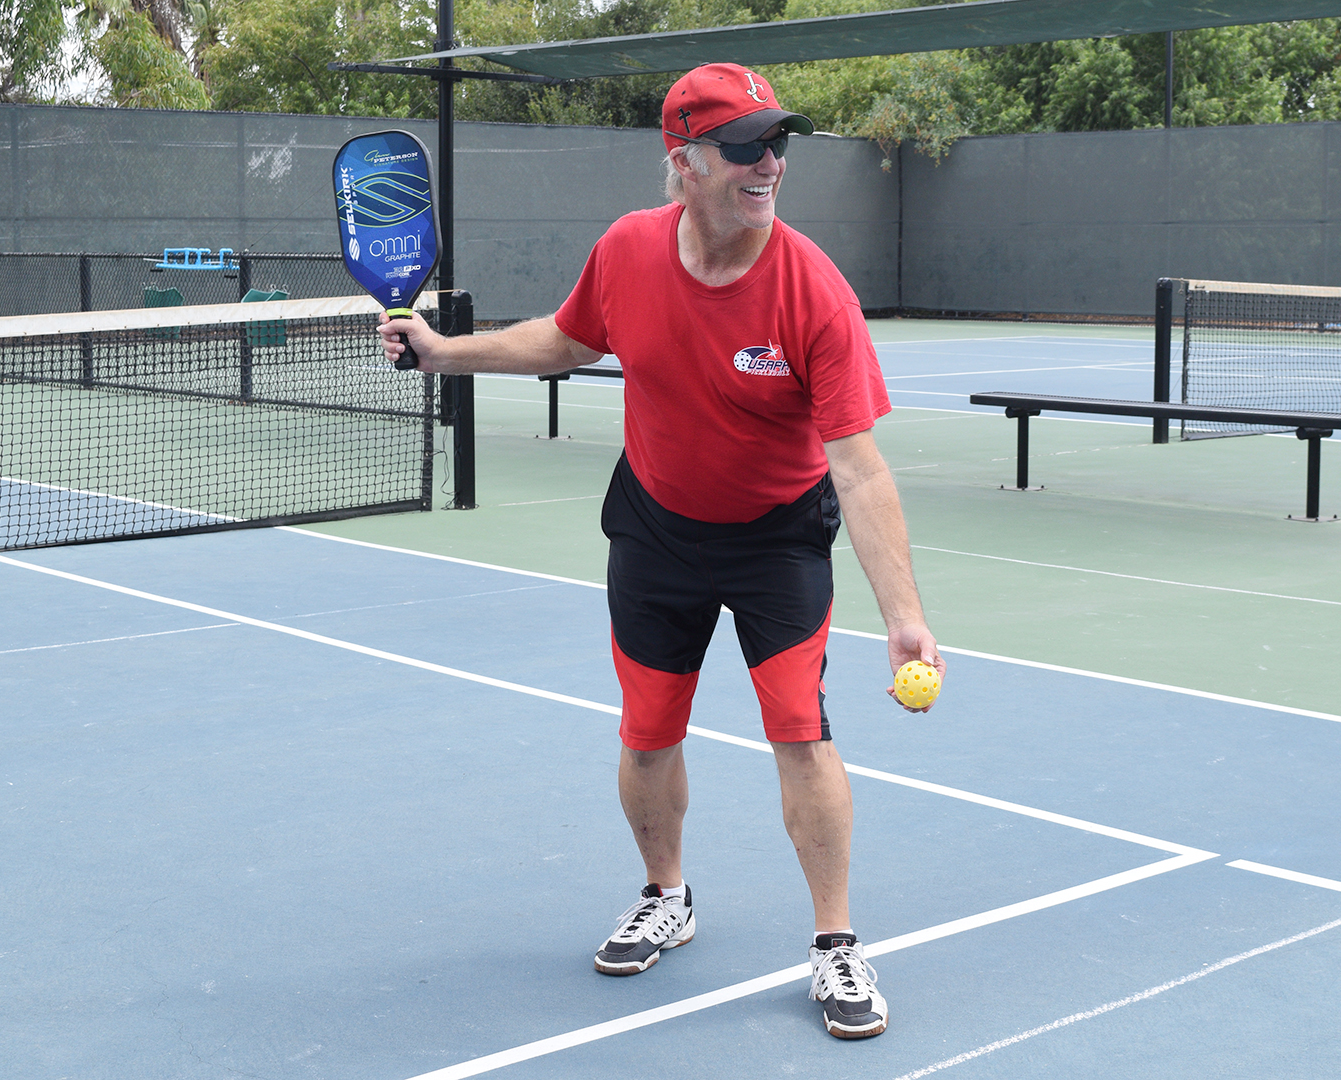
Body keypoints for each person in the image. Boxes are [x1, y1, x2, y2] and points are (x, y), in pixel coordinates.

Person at [378, 62, 943, 1041]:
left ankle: (835, 943)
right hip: (655, 529)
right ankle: (666, 895)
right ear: (683, 162)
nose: (770, 162)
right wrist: (442, 351)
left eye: (779, 143)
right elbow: (565, 341)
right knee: (647, 731)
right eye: (745, 147)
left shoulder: (814, 290)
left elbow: (858, 467)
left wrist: (903, 617)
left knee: (797, 732)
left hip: (776, 544)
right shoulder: (628, 251)